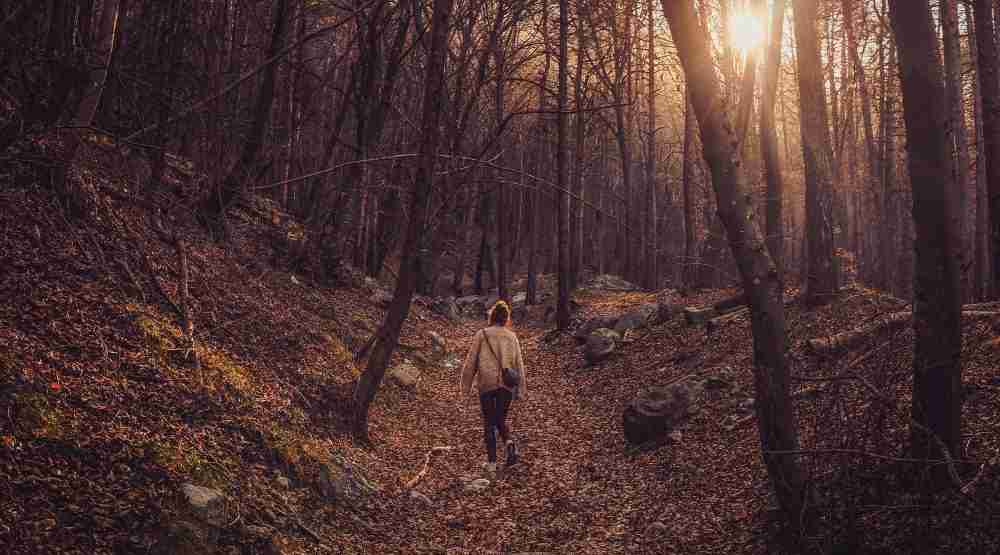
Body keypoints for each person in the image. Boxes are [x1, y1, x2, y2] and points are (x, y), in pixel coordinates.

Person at [459, 299, 527, 473]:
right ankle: (510, 444)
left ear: (492, 316)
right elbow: (519, 365)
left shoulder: (482, 334)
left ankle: (491, 464)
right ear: (506, 318)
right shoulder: (512, 337)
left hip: (486, 383)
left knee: (489, 422)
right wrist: (521, 390)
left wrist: (464, 388)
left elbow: (470, 363)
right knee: (500, 420)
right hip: (506, 385)